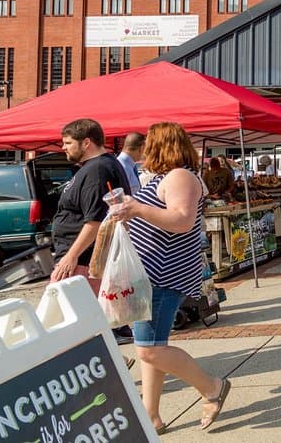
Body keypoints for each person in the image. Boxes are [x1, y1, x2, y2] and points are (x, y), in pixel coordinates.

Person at [111, 122, 230, 434]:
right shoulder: (167, 178)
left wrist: (136, 207)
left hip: (163, 274)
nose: (145, 148)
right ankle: (151, 416)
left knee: (149, 350)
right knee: (151, 346)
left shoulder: (180, 176)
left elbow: (181, 220)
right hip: (152, 273)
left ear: (161, 145)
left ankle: (212, 387)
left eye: (150, 143)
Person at [49, 118, 133, 344]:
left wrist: (71, 256)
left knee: (61, 325)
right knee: (83, 324)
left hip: (82, 261)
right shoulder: (95, 167)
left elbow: (95, 221)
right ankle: (110, 359)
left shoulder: (97, 169)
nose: (63, 147)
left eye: (67, 142)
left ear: (86, 143)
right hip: (82, 261)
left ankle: (104, 362)